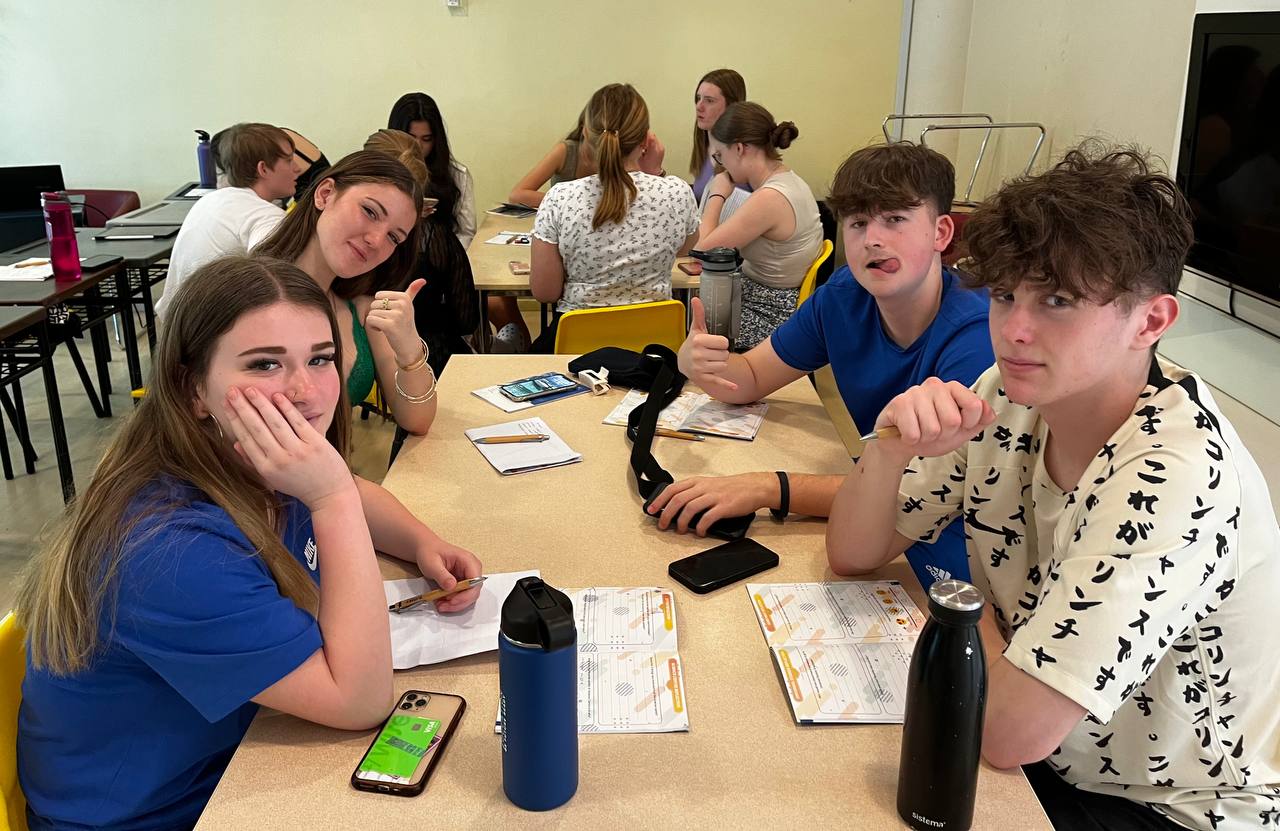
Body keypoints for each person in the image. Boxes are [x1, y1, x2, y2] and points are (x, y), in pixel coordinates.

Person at [826, 144, 1280, 831]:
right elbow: (854, 551)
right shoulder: (1006, 396)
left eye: (1059, 300)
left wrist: (967, 616)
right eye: (1006, 294)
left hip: (1167, 807)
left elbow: (1008, 733)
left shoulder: (1176, 475)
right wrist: (890, 449)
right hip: (1047, 757)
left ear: (1151, 321)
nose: (1014, 329)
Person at [15, 256, 482, 830]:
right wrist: (329, 498)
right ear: (194, 391)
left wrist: (420, 540)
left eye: (321, 358)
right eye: (264, 365)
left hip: (234, 757)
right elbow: (361, 701)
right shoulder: (168, 551)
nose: (305, 391)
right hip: (164, 813)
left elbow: (356, 490)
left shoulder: (234, 455)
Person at [653, 142, 992, 589]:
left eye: (895, 219)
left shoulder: (976, 338)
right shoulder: (844, 295)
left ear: (940, 233)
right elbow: (751, 377)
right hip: (876, 518)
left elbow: (913, 491)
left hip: (951, 551)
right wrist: (696, 360)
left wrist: (766, 487)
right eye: (857, 222)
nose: (872, 237)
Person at [255, 151, 437, 435]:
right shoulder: (246, 298)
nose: (376, 241)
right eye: (370, 212)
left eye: (393, 237)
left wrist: (409, 346)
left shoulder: (362, 308)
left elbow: (417, 419)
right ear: (325, 194)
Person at [529, 83, 699, 353]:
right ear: (646, 141)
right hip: (656, 351)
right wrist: (655, 173)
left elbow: (545, 292)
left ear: (586, 135)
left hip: (578, 353)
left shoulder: (560, 198)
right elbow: (685, 249)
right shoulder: (677, 193)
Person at [695, 102, 823, 349]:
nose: (722, 165)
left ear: (740, 148)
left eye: (720, 155)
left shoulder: (770, 198)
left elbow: (702, 253)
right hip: (772, 303)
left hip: (768, 315)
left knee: (686, 331)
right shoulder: (790, 180)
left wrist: (717, 194)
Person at [364, 129, 477, 376]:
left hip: (366, 361)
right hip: (432, 357)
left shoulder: (350, 242)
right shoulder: (435, 236)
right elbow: (466, 318)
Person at [157, 123, 297, 317]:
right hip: (209, 328)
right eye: (289, 161)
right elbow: (275, 280)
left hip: (178, 322)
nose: (297, 169)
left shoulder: (209, 200)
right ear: (263, 169)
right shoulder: (264, 216)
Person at [388, 92, 477, 249]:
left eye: (426, 139)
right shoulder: (377, 171)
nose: (418, 146)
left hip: (440, 258)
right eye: (411, 137)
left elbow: (466, 233)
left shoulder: (456, 175)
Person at [688, 68, 747, 202]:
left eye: (709, 101)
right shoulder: (704, 146)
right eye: (698, 98)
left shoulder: (747, 154)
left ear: (732, 106)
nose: (699, 106)